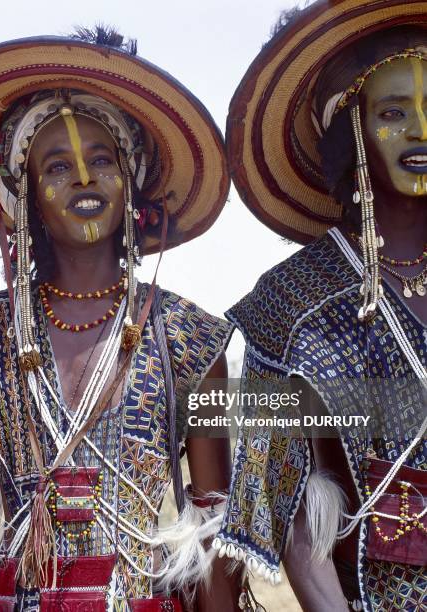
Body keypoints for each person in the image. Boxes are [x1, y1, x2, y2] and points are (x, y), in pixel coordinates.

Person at [0, 27, 238, 611]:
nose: (86, 180)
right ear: (28, 196)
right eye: (59, 167)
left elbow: (212, 528)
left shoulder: (192, 339)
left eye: (101, 160)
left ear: (131, 180)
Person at [213, 2, 426, 611]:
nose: (421, 129)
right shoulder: (284, 306)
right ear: (349, 129)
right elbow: (281, 507)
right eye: (393, 112)